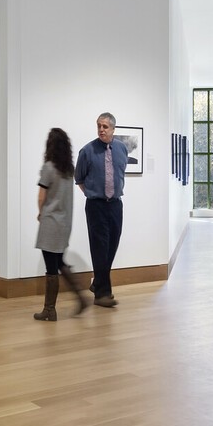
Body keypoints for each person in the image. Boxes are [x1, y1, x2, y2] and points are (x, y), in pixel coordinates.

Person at [32, 128, 88, 321]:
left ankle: (50, 310)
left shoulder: (48, 168)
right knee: (59, 263)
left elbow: (42, 197)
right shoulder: (68, 170)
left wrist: (40, 213)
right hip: (65, 224)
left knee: (51, 267)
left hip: (50, 223)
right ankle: (80, 297)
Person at [73, 112, 128, 308]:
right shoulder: (87, 151)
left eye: (105, 126)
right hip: (96, 205)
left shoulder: (122, 149)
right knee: (99, 247)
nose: (101, 130)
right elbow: (78, 178)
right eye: (99, 126)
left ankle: (97, 283)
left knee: (112, 245)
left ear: (113, 129)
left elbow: (121, 174)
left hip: (115, 205)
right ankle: (103, 294)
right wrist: (92, 193)